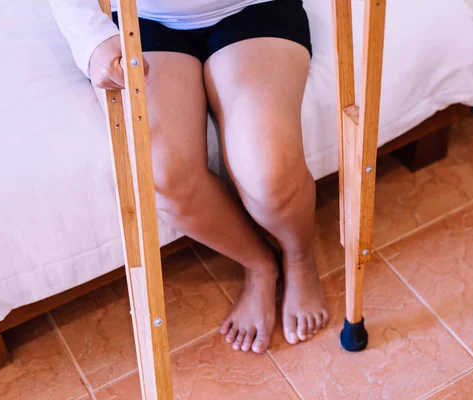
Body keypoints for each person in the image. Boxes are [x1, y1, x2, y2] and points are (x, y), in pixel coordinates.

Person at [49, 0, 329, 354]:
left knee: (268, 173)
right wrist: (91, 36)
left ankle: (300, 258)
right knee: (162, 177)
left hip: (253, 8)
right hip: (140, 19)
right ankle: (258, 264)